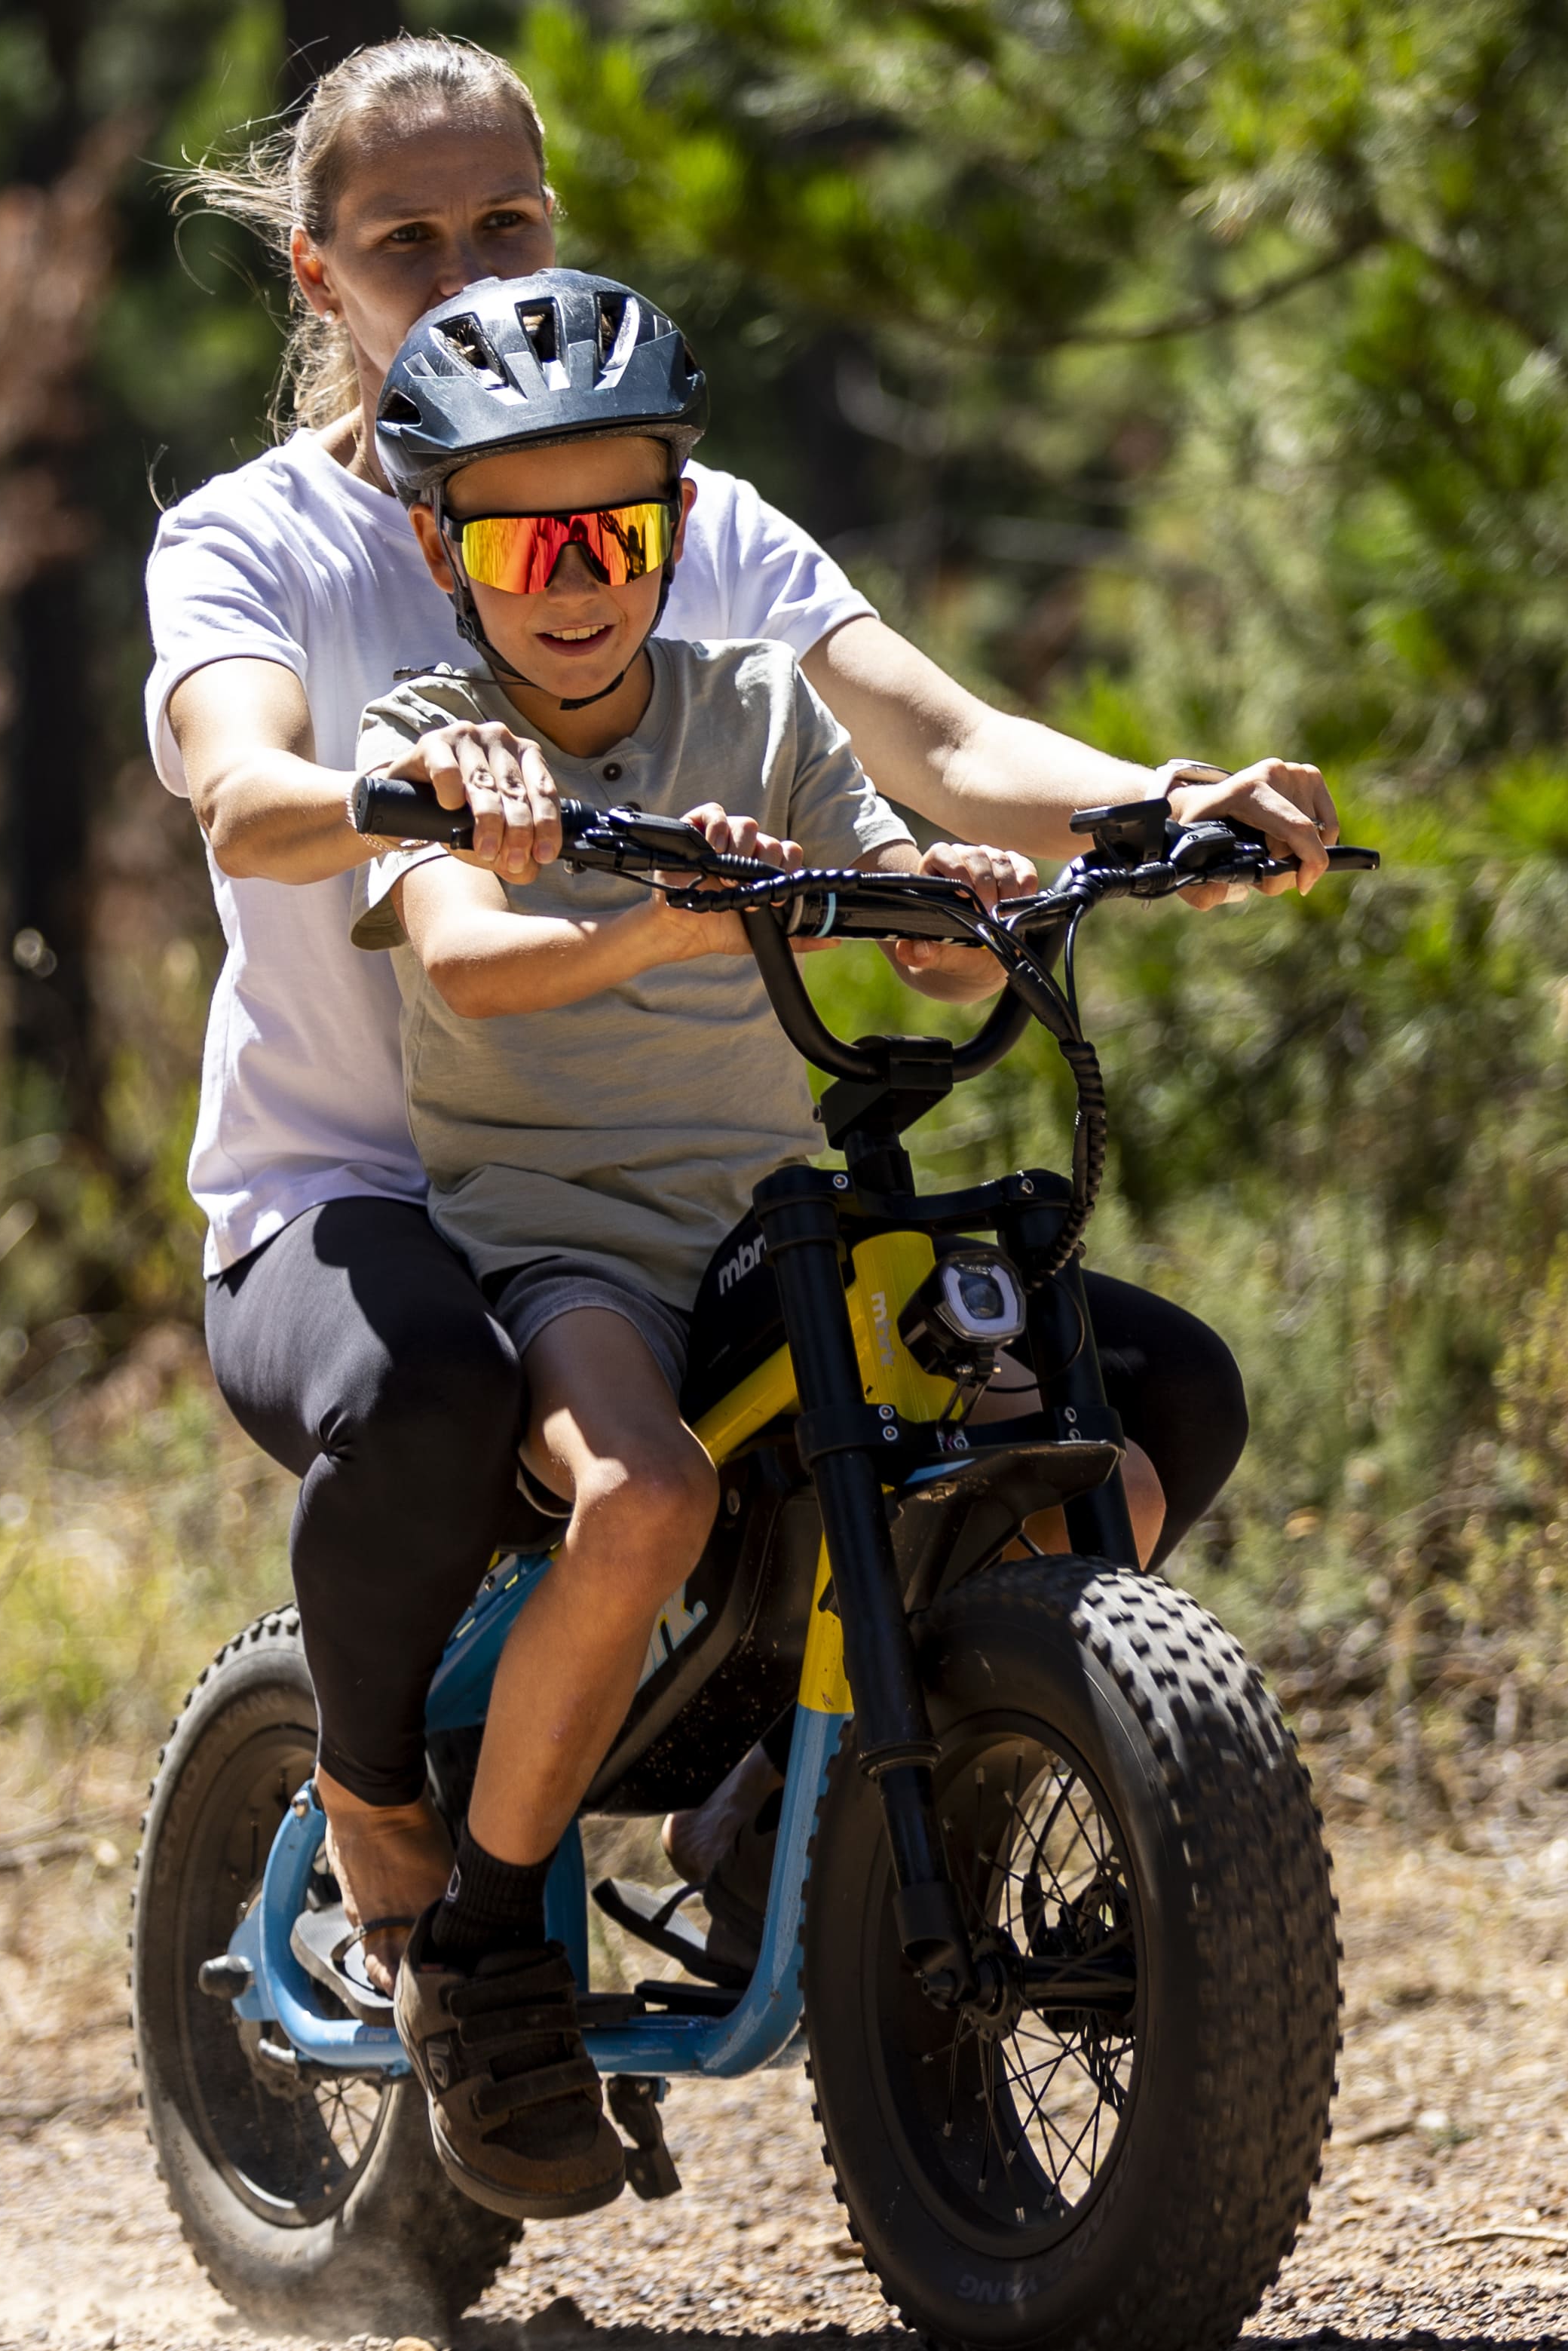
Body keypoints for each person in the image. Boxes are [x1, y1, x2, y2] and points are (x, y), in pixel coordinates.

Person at [147, 36, 1341, 1991]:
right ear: (318, 275)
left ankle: (806, 1819)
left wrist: (1162, 804)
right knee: (437, 1399)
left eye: (504, 223)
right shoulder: (257, 543)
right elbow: (240, 786)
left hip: (673, 1159)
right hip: (362, 1189)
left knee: (1155, 1391)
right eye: (404, 241)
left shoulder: (677, 510)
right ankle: (379, 1814)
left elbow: (940, 737)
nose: (461, 271)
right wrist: (409, 803)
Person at [348, 270, 1089, 2218]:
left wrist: (950, 909)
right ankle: (488, 1948)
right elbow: (468, 965)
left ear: (673, 529)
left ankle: (810, 1809)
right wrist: (660, 922)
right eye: (524, 540)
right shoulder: (437, 736)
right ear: (446, 551)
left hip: (765, 1228)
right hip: (558, 1247)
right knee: (646, 1501)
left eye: (614, 531)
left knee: (1087, 1399)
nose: (574, 580)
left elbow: (885, 888)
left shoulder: (752, 710)